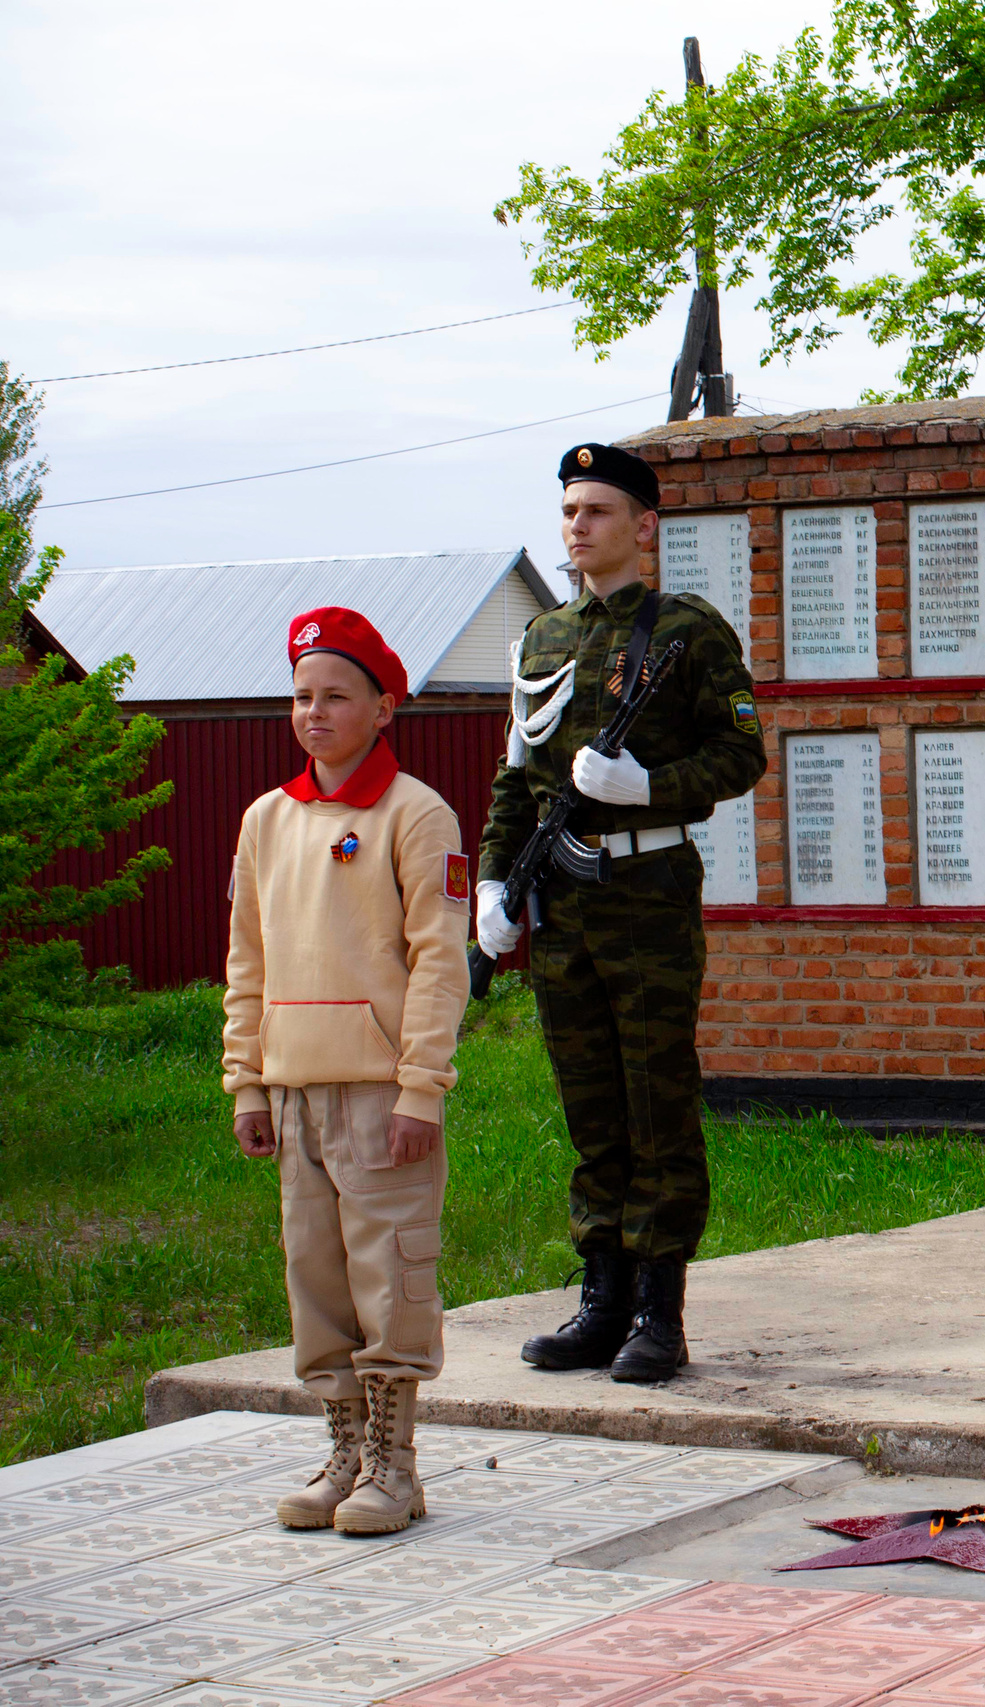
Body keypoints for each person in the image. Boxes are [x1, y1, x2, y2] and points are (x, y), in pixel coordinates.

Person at [478, 443, 767, 1385]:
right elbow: (517, 778)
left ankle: (659, 1310)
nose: (577, 526)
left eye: (597, 511)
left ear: (644, 526)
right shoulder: (543, 640)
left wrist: (649, 786)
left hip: (646, 895)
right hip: (561, 902)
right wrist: (492, 884)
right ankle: (600, 1297)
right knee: (590, 1102)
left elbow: (741, 757)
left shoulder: (687, 629)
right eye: (569, 511)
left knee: (656, 1101)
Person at [225, 609, 467, 1535]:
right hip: (293, 1092)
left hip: (380, 1095)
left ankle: (395, 1467)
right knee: (316, 1278)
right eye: (301, 695)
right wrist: (247, 1081)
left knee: (389, 1276)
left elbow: (440, 962)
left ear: (383, 706)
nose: (313, 712)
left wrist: (421, 1086)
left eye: (335, 695)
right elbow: (247, 958)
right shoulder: (267, 820)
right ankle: (342, 1452)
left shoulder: (416, 813)